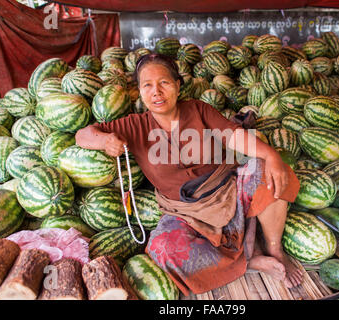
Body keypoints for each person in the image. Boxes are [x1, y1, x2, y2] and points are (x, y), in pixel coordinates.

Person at [75, 53, 302, 296]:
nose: (156, 92)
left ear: (177, 85)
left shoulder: (198, 110)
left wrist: (272, 157)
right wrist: (105, 140)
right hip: (183, 212)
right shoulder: (134, 125)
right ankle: (248, 260)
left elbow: (234, 136)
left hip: (226, 192)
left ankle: (274, 249)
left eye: (164, 83)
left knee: (269, 172)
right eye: (147, 85)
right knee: (163, 248)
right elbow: (83, 134)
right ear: (139, 92)